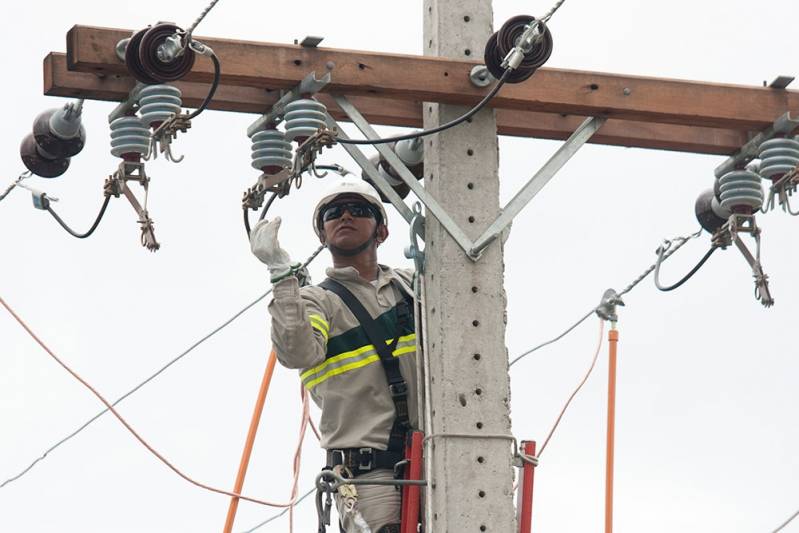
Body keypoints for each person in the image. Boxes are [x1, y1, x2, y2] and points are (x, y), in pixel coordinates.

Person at [249, 177, 418, 533]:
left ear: (382, 231)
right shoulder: (317, 300)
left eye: (358, 210)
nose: (344, 216)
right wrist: (282, 275)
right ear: (322, 235)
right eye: (332, 213)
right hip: (370, 473)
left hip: (434, 454)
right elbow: (297, 352)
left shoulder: (411, 287)